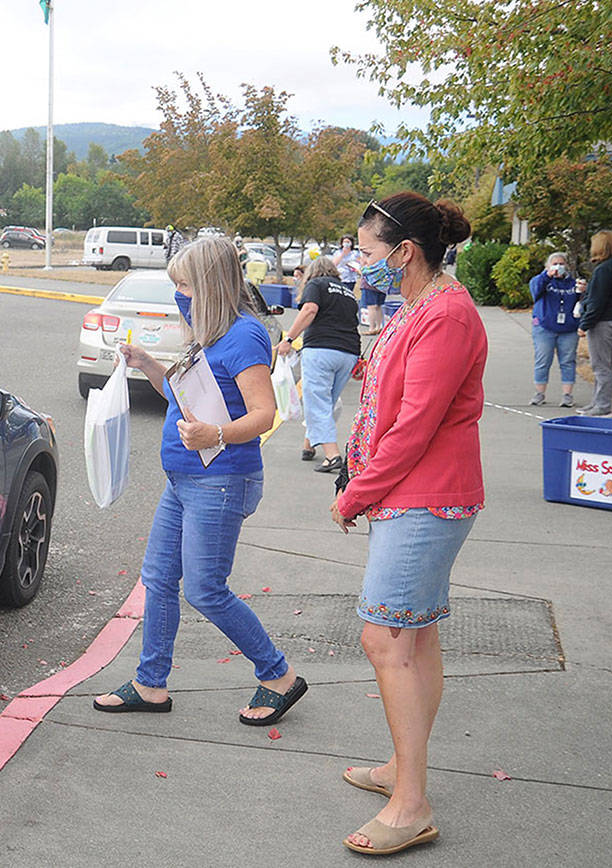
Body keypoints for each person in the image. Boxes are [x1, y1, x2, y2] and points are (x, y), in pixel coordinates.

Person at [93, 237, 307, 726]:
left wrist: (217, 434)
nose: (178, 293)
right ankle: (150, 685)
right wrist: (147, 364)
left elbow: (264, 413)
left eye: (184, 284)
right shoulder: (209, 333)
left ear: (209, 285)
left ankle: (279, 674)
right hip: (186, 479)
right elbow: (183, 397)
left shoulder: (246, 335)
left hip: (222, 480)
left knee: (206, 589)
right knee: (160, 579)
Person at [331, 192, 483, 856]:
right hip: (411, 496)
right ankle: (404, 770)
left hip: (425, 497)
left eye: (366, 253)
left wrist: (354, 493)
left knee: (386, 639)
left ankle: (411, 803)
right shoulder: (417, 306)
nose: (358, 262)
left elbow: (414, 428)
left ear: (405, 253)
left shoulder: (445, 316)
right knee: (414, 641)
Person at [277, 255, 359, 472]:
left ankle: (332, 455)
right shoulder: (347, 292)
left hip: (321, 349)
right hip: (348, 353)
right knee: (326, 402)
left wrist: (288, 339)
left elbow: (309, 310)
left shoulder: (316, 284)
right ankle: (309, 445)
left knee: (317, 404)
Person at [576, 230, 612, 417]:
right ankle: (597, 402)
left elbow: (598, 301)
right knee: (601, 364)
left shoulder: (604, 269)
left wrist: (584, 324)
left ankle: (603, 406)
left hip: (603, 321)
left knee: (600, 366)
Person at [527, 251, 580, 407]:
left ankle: (567, 395)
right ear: (547, 266)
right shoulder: (542, 280)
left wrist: (583, 291)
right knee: (543, 360)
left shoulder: (573, 283)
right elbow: (535, 291)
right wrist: (547, 275)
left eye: (561, 264)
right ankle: (539, 393)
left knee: (568, 361)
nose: (558, 267)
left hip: (568, 328)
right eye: (554, 264)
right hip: (544, 327)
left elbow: (582, 302)